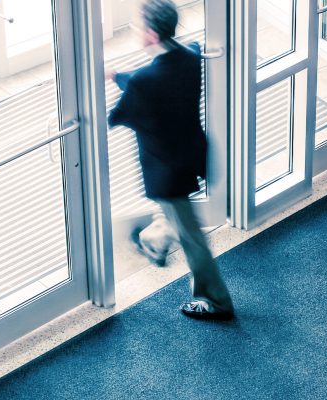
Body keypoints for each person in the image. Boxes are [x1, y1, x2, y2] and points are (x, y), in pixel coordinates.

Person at [107, 0, 234, 320]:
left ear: (150, 34)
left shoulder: (145, 83)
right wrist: (117, 76)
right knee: (175, 216)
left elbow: (118, 115)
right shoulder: (189, 56)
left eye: (137, 27)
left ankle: (216, 300)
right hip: (189, 155)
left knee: (191, 236)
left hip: (165, 171)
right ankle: (156, 240)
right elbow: (154, 76)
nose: (135, 31)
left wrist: (121, 84)